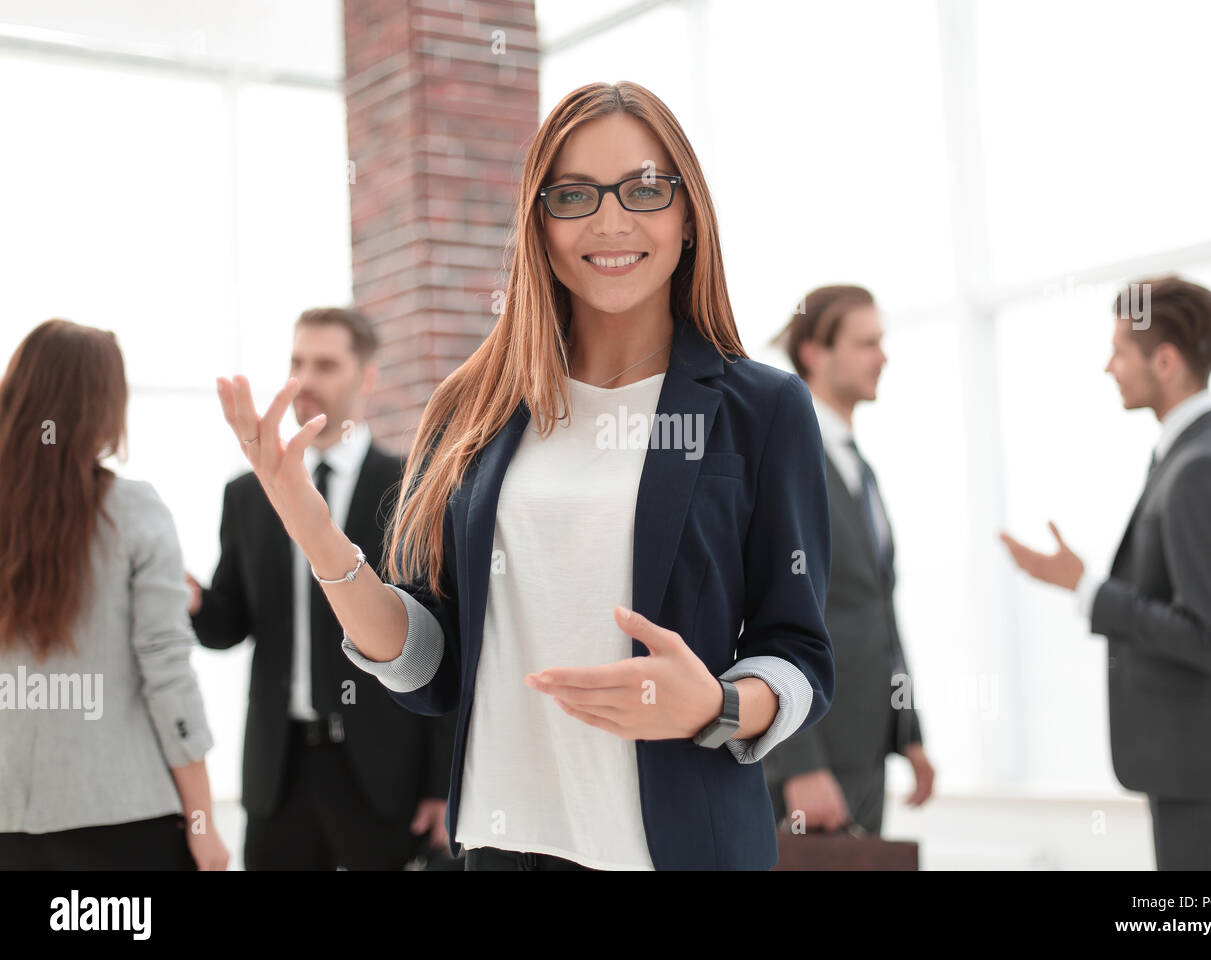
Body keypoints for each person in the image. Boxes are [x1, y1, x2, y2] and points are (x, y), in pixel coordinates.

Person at [213, 80, 836, 870]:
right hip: (503, 846)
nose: (610, 221)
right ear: (538, 223)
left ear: (688, 215)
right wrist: (304, 516)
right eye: (574, 195)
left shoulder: (763, 408)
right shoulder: (475, 408)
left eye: (644, 189)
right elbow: (428, 660)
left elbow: (801, 654)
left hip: (679, 849)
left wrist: (717, 705)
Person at [1000, 275, 1211, 869]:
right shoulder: (1201, 452)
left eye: (1119, 351)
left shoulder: (1201, 468)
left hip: (1207, 770)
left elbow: (1205, 637)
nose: (1109, 368)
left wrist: (1085, 589)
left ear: (1165, 361)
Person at [188, 307, 456, 870]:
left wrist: (440, 783)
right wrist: (189, 598)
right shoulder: (248, 493)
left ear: (367, 377)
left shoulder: (413, 485)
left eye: (326, 364)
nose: (306, 379)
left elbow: (441, 638)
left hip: (382, 774)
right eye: (297, 362)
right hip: (278, 770)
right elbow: (227, 624)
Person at [0, 319, 225, 870]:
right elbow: (167, 674)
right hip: (123, 820)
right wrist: (204, 824)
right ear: (103, 405)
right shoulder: (134, 511)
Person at [764, 285, 934, 835]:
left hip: (867, 751)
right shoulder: (785, 456)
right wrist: (800, 762)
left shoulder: (860, 468)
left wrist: (909, 730)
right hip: (812, 760)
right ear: (814, 353)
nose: (882, 357)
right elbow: (763, 617)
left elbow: (876, 608)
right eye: (866, 343)